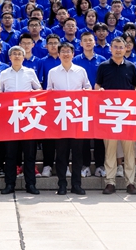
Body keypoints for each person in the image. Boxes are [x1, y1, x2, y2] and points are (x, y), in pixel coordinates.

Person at [95, 37, 136, 196]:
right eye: (115, 47)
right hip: (110, 114)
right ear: (111, 48)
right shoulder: (103, 66)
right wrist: (99, 91)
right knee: (110, 150)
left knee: (129, 151)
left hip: (127, 113)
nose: (119, 50)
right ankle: (110, 182)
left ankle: (130, 182)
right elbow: (97, 85)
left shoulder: (131, 66)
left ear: (126, 48)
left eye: (121, 47)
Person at [47, 42, 92, 195]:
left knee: (77, 153)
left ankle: (76, 185)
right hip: (60, 118)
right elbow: (49, 92)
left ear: (73, 54)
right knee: (61, 153)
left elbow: (88, 88)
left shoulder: (81, 71)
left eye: (68, 51)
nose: (66, 54)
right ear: (58, 54)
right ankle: (62, 184)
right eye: (63, 51)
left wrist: (85, 91)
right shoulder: (53, 72)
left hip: (77, 117)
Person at [0, 45, 42, 195]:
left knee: (29, 154)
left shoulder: (30, 72)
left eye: (19, 54)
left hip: (28, 118)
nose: (17, 56)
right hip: (11, 119)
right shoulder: (4, 73)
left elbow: (39, 90)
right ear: (9, 57)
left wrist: (32, 93)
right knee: (10, 155)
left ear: (24, 57)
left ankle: (31, 184)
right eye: (14, 54)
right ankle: (10, 184)